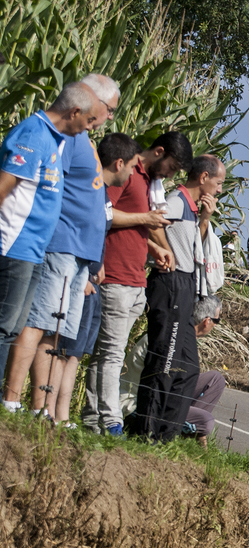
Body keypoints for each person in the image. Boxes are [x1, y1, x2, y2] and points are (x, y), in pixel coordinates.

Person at [4, 75, 118, 419]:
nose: (106, 118)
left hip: (71, 250)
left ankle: (46, 409)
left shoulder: (75, 136)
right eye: (107, 109)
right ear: (86, 103)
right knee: (33, 324)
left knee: (55, 333)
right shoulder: (62, 135)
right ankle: (13, 399)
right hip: (49, 244)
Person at [79, 131, 190, 435]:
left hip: (134, 278)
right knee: (112, 353)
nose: (170, 174)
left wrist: (155, 249)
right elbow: (103, 213)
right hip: (114, 276)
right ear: (159, 151)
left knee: (108, 354)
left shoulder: (148, 183)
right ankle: (112, 420)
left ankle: (93, 421)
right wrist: (145, 219)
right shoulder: (127, 171)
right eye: (172, 167)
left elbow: (134, 228)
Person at [40, 131, 138, 427]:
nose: (133, 172)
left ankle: (61, 414)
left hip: (93, 280)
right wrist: (85, 273)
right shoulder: (94, 191)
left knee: (75, 352)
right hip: (81, 276)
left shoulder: (101, 195)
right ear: (119, 163)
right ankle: (44, 407)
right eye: (132, 166)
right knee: (58, 344)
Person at [130, 153, 223, 442]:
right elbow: (147, 225)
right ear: (203, 178)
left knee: (189, 368)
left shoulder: (194, 210)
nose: (220, 189)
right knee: (165, 361)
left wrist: (205, 218)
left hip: (186, 289)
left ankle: (166, 435)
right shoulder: (176, 201)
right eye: (219, 182)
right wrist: (159, 252)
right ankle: (147, 431)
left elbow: (195, 245)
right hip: (169, 284)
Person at [118, 295, 225, 446]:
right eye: (216, 321)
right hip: (137, 405)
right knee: (205, 421)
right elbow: (163, 383)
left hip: (161, 395)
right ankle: (177, 429)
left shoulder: (182, 333)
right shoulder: (173, 338)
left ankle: (180, 427)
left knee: (216, 380)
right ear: (206, 321)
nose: (215, 325)